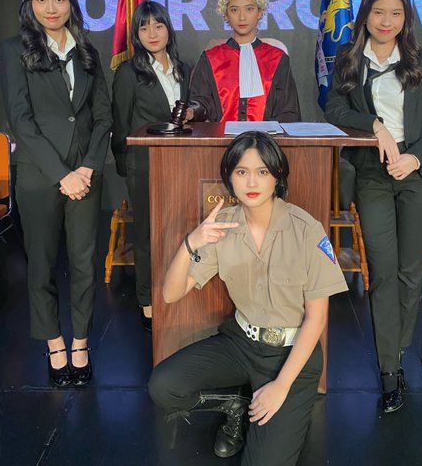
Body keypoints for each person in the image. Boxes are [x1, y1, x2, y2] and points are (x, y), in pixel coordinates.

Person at [148, 131, 347, 465]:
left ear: (277, 177)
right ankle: (236, 406)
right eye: (241, 171)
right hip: (241, 343)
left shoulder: (306, 229)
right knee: (163, 385)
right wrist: (191, 242)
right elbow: (170, 294)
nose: (251, 182)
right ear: (229, 177)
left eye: (262, 172)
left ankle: (269, 402)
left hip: (291, 355)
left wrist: (281, 386)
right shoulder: (223, 226)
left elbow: (317, 319)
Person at [325, 0, 422, 413]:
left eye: (396, 13)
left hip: (417, 177)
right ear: (365, 15)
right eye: (379, 12)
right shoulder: (349, 58)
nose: (386, 21)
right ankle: (388, 372)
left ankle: (394, 353)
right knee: (382, 271)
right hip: (373, 175)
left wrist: (413, 158)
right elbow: (334, 109)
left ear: (405, 19)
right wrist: (374, 125)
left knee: (409, 275)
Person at [0, 0, 112, 387]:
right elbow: (21, 121)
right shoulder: (15, 50)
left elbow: (103, 116)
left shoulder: (87, 50)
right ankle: (55, 344)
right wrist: (62, 174)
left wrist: (87, 167)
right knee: (42, 264)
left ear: (71, 4)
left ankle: (80, 342)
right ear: (29, 4)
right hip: (40, 176)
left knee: (84, 264)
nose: (51, 7)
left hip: (86, 175)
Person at [111, 1, 191, 329]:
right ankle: (147, 301)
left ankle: (178, 294)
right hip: (143, 165)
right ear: (136, 34)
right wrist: (126, 165)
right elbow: (120, 123)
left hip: (183, 164)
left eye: (158, 25)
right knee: (146, 235)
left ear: (168, 29)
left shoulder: (185, 69)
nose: (152, 33)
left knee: (181, 231)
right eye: (144, 27)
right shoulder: (128, 73)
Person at [189, 0, 301, 122]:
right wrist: (192, 111)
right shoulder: (210, 58)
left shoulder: (277, 58)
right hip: (222, 136)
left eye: (249, 9)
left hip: (266, 136)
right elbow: (201, 102)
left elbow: (288, 111)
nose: (242, 17)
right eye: (234, 10)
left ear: (260, 12)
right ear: (226, 14)